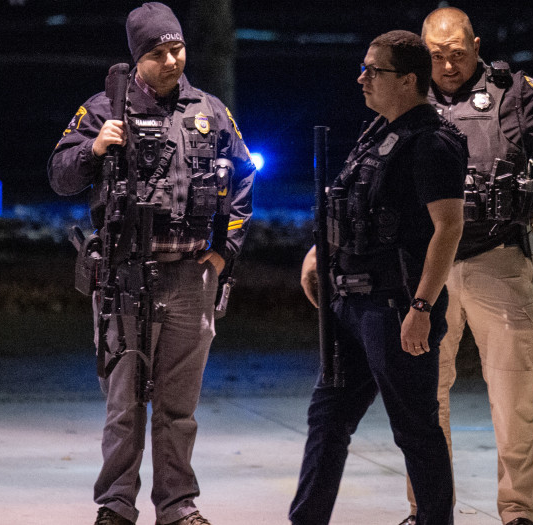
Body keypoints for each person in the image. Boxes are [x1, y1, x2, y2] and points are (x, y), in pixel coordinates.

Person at [47, 3, 254, 525]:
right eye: (157, 53)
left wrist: (224, 252)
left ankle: (178, 507)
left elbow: (245, 178)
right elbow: (60, 174)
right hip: (124, 275)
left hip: (190, 275)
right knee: (124, 405)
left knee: (178, 408)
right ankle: (116, 506)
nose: (171, 60)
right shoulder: (103, 109)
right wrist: (94, 148)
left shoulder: (209, 110)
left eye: (177, 49)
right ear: (137, 58)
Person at [400, 8, 533, 525]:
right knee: (424, 400)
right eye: (435, 56)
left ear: (476, 45)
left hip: (498, 258)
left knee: (513, 399)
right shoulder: (406, 96)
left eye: (457, 54)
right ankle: (429, 512)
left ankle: (518, 513)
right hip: (427, 270)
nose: (446, 66)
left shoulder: (514, 94)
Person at [288, 30, 467, 525]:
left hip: (395, 309)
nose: (362, 77)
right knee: (327, 421)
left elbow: (449, 228)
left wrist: (423, 309)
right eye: (364, 67)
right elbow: (354, 205)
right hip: (350, 306)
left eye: (375, 70)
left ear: (409, 80)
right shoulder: (379, 131)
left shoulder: (432, 142)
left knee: (415, 430)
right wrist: (317, 254)